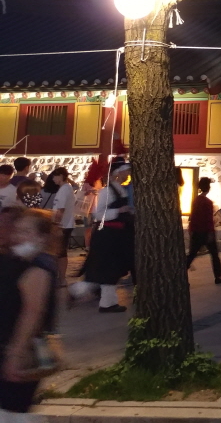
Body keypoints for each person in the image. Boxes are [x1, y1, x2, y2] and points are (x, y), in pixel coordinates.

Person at [0, 209, 58, 417]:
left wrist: (16, 354)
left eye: (26, 231)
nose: (18, 236)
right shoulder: (16, 261)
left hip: (18, 352)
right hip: (8, 348)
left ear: (42, 238)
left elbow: (32, 313)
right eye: (18, 231)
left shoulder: (38, 267)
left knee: (12, 411)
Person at [68, 160, 134, 313]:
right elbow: (98, 214)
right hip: (107, 235)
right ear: (118, 174)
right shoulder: (107, 191)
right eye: (126, 171)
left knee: (109, 269)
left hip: (116, 235)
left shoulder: (120, 190)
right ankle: (87, 294)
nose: (128, 174)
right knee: (106, 269)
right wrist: (119, 211)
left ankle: (105, 301)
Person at [185, 177, 221, 285]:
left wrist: (191, 229)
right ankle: (218, 276)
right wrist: (211, 232)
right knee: (214, 255)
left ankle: (181, 273)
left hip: (196, 230)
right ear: (208, 187)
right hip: (206, 231)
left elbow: (193, 216)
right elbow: (208, 219)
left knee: (192, 254)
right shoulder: (207, 202)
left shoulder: (196, 200)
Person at [39, 167, 77, 285]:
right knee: (60, 252)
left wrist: (56, 225)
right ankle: (60, 278)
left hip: (62, 225)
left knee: (60, 253)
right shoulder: (67, 188)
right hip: (65, 224)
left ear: (60, 176)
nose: (53, 179)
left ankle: (61, 278)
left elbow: (60, 210)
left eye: (54, 177)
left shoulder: (64, 190)